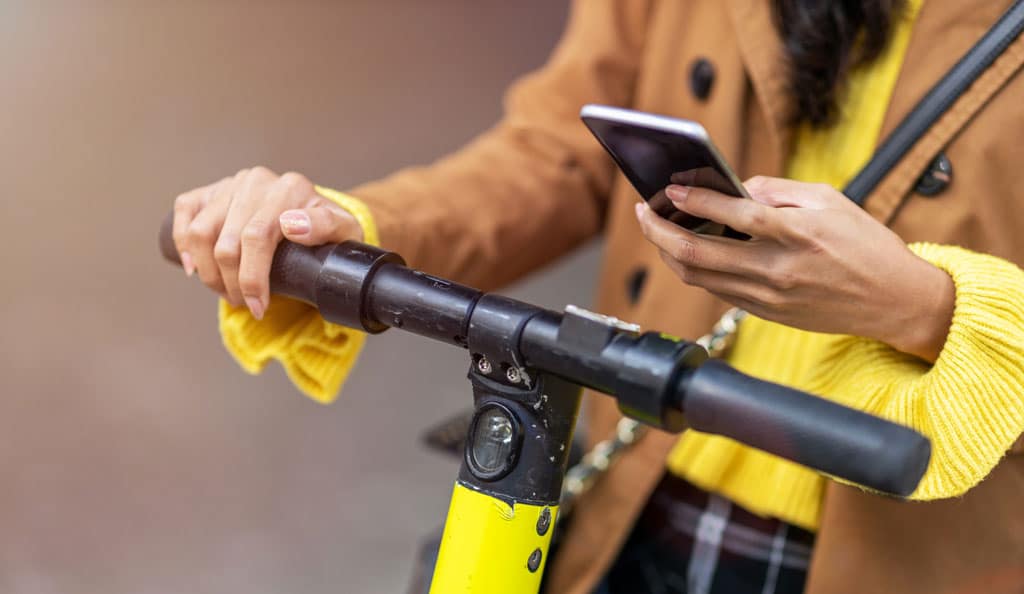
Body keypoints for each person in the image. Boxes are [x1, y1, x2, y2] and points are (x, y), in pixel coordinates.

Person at [169, 1, 1024, 592]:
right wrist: (346, 223)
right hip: (637, 483)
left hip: (912, 544)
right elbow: (560, 149)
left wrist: (925, 307)